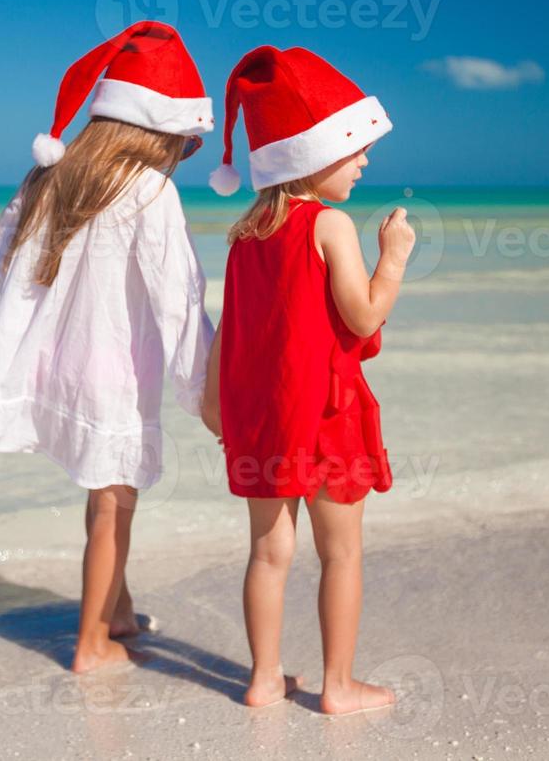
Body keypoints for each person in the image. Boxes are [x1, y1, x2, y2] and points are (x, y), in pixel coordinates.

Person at [0, 21, 215, 673]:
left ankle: (118, 610)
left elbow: (5, 261)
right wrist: (203, 387)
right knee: (114, 504)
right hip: (118, 372)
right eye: (185, 144)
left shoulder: (51, 177)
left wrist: (48, 321)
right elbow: (178, 297)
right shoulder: (150, 191)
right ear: (155, 132)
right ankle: (92, 643)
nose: (182, 157)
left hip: (67, 363)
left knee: (101, 493)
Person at [201, 45, 416, 712]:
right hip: (326, 416)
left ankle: (264, 680)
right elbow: (362, 314)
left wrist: (217, 409)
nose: (365, 161)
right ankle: (339, 686)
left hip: (265, 421)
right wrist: (395, 260)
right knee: (341, 554)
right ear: (312, 155)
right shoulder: (331, 224)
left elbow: (230, 335)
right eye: (355, 148)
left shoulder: (245, 236)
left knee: (269, 553)